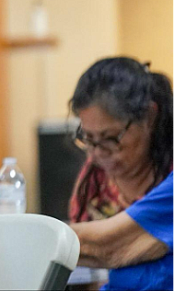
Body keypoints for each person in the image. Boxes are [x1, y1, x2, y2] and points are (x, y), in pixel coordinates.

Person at [67, 57, 174, 290]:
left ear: (149, 117)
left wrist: (26, 237)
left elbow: (107, 246)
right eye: (89, 139)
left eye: (110, 138)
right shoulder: (94, 179)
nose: (97, 154)